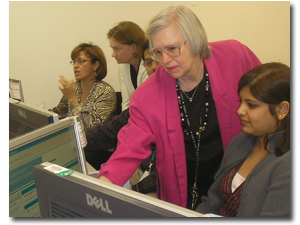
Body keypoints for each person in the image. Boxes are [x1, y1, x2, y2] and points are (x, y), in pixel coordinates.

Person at [98, 5, 261, 210]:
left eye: (172, 49)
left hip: (238, 189)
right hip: (184, 199)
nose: (165, 60)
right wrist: (102, 187)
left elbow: (273, 100)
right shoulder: (147, 95)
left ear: (195, 40)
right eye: (158, 52)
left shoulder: (236, 58)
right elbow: (129, 148)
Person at [196, 62, 290, 217]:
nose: (240, 111)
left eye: (252, 105)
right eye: (241, 102)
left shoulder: (288, 164)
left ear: (282, 110)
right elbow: (210, 201)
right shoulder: (240, 142)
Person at [84, 40, 159, 196]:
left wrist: (136, 191)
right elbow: (111, 129)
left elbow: (167, 171)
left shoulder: (104, 91)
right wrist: (75, 138)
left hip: (155, 184)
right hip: (142, 171)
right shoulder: (145, 99)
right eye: (149, 62)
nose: (154, 67)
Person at [50, 43, 117, 129]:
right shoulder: (75, 88)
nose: (75, 66)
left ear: (95, 65)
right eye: (74, 62)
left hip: (95, 141)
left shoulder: (106, 92)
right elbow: (59, 114)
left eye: (81, 61)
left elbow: (91, 127)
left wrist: (73, 100)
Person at [108, 21, 149, 111]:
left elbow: (146, 104)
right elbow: (126, 103)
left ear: (133, 47)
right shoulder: (123, 67)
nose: (113, 54)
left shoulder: (150, 66)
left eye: (117, 49)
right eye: (113, 48)